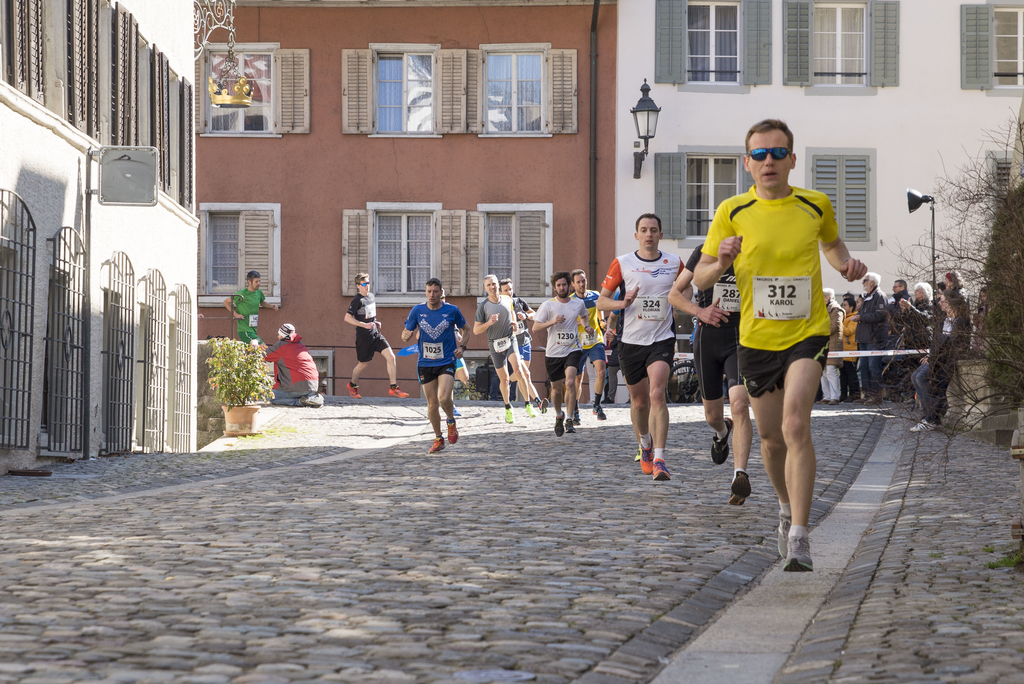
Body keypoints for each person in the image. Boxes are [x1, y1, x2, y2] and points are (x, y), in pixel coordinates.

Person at [692, 118, 867, 572]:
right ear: (747, 163)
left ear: (792, 159)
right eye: (758, 154)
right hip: (754, 338)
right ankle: (786, 508)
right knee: (770, 440)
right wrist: (723, 260)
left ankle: (801, 535)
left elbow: (832, 247)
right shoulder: (731, 210)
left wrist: (847, 266)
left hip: (806, 333)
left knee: (794, 425)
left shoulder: (815, 204)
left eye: (776, 153)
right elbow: (701, 277)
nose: (768, 161)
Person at [597, 213, 684, 482]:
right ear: (636, 235)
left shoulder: (674, 262)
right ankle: (644, 444)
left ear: (660, 234)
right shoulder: (622, 263)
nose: (649, 234)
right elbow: (601, 302)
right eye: (644, 230)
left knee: (657, 393)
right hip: (630, 341)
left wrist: (678, 300)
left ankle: (659, 458)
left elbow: (687, 290)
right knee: (639, 400)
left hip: (661, 339)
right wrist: (623, 304)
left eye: (654, 230)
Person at [668, 240, 754, 505]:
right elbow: (675, 294)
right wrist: (699, 311)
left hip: (742, 336)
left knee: (739, 405)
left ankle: (740, 476)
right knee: (712, 415)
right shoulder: (704, 251)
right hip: (708, 338)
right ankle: (721, 432)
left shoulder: (755, 247)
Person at [402, 278, 468, 452]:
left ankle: (451, 421)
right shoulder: (417, 310)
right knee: (431, 404)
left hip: (446, 360)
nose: (432, 295)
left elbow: (466, 329)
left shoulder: (452, 310)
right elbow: (407, 330)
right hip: (425, 362)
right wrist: (405, 335)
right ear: (426, 292)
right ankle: (439, 438)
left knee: (444, 398)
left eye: (435, 291)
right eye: (429, 291)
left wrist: (462, 347)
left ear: (441, 293)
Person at [533, 272, 593, 437]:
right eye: (558, 285)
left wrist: (586, 327)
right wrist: (553, 321)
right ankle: (559, 414)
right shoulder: (548, 305)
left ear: (569, 286)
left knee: (571, 382)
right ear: (554, 288)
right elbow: (535, 327)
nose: (561, 288)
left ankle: (569, 416)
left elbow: (584, 315)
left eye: (564, 285)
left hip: (573, 349)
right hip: (553, 352)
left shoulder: (578, 303)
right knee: (557, 390)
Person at [474, 275, 535, 423]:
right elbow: (476, 330)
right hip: (495, 345)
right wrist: (489, 323)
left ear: (497, 285)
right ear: (485, 288)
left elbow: (512, 313)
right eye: (488, 285)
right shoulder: (483, 306)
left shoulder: (508, 299)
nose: (492, 287)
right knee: (505, 379)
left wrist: (514, 322)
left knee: (519, 371)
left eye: (494, 284)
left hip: (510, 340)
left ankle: (528, 404)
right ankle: (508, 407)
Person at [911, 290, 971, 432]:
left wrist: (935, 356)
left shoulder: (961, 321)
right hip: (938, 358)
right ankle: (930, 415)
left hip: (948, 360)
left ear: (951, 303)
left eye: (943, 301)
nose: (940, 304)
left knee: (921, 378)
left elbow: (953, 344)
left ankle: (931, 417)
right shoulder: (944, 320)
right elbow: (938, 342)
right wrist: (932, 355)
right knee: (915, 376)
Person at [344, 273, 409, 399]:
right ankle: (352, 385)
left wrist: (375, 322)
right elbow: (347, 318)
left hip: (376, 334)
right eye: (364, 284)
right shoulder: (357, 300)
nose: (367, 286)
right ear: (358, 286)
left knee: (391, 357)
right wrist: (363, 325)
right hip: (364, 337)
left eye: (368, 283)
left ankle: (393, 387)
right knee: (363, 364)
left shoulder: (372, 296)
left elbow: (369, 315)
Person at [499, 278, 547, 414]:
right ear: (500, 292)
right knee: (526, 373)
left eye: (510, 289)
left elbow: (535, 314)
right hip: (513, 344)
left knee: (522, 376)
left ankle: (506, 382)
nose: (509, 292)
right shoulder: (500, 306)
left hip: (525, 342)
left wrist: (525, 315)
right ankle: (538, 402)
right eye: (505, 290)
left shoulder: (519, 302)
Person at [570, 269, 609, 423]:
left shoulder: (595, 295)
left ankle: (597, 405)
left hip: (595, 340)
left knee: (601, 371)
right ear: (573, 284)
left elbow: (599, 310)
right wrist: (584, 322)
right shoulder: (570, 300)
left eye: (583, 281)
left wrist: (602, 322)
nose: (582, 284)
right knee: (577, 379)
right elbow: (569, 321)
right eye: (578, 282)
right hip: (578, 343)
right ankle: (575, 409)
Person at [849, 272, 888, 405]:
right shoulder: (867, 297)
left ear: (872, 282)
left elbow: (881, 315)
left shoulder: (879, 296)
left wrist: (861, 317)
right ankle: (867, 394)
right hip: (864, 338)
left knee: (874, 367)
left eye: (865, 280)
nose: (863, 283)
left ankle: (876, 395)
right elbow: (865, 313)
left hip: (874, 338)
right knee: (864, 368)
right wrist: (858, 316)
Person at [263, 324, 323, 407]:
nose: (278, 336)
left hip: (295, 387)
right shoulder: (300, 345)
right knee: (300, 392)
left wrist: (255, 345)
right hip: (313, 385)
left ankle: (300, 402)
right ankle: (311, 398)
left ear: (282, 335)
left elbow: (263, 355)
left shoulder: (281, 345)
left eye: (279, 334)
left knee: (270, 397)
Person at [223, 270, 279, 345]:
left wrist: (271, 306)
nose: (259, 283)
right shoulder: (241, 293)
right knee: (263, 347)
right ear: (249, 282)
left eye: (259, 281)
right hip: (244, 330)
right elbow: (226, 302)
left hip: (253, 329)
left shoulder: (258, 292)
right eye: (256, 282)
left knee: (252, 353)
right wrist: (235, 314)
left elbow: (262, 302)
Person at [819, 288, 844, 406]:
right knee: (822, 371)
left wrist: (818, 332)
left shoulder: (836, 309)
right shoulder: (823, 309)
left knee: (830, 370)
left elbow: (834, 326)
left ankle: (835, 396)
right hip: (824, 343)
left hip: (832, 343)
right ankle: (827, 396)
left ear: (827, 298)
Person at [839, 295, 861, 402]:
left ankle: (854, 394)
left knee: (851, 372)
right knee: (842, 373)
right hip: (842, 349)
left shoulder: (854, 317)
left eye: (845, 305)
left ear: (851, 307)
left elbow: (848, 331)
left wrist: (839, 323)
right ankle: (843, 394)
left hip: (850, 349)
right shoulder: (845, 318)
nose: (843, 307)